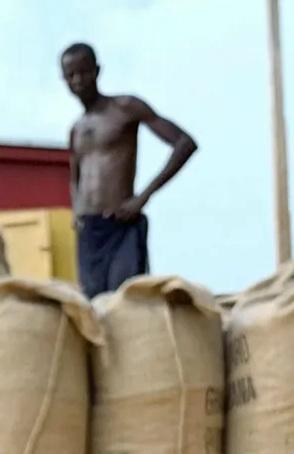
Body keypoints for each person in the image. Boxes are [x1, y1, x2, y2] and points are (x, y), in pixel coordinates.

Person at [61, 42, 197, 300]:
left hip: (121, 224)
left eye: (83, 72)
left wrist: (142, 198)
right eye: (71, 75)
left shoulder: (125, 108)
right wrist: (76, 210)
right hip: (90, 231)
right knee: (94, 309)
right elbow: (75, 174)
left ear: (97, 71)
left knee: (128, 304)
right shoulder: (76, 129)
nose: (78, 80)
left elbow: (184, 144)